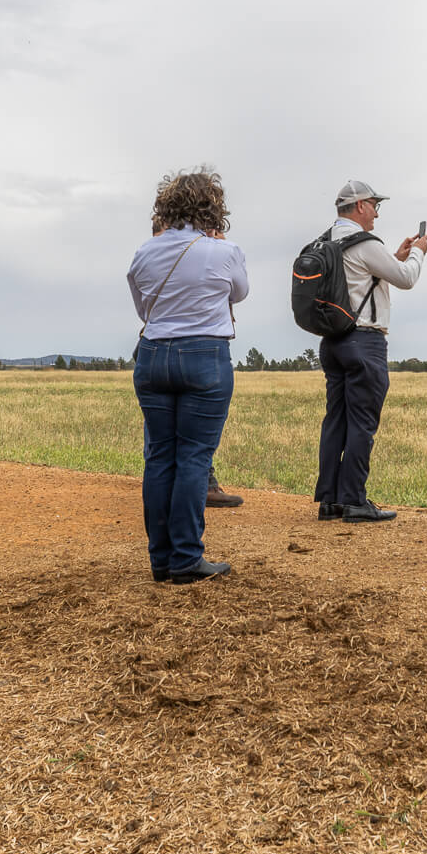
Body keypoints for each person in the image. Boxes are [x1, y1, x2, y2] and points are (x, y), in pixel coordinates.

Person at [127, 168, 249, 584]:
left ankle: (160, 559)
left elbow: (143, 309)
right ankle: (185, 558)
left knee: (160, 456)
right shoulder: (225, 251)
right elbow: (240, 292)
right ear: (212, 206)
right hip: (205, 354)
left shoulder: (146, 251)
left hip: (153, 353)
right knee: (194, 457)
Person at [314, 179, 427, 524]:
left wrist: (394, 257)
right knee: (363, 422)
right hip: (365, 340)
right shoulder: (365, 243)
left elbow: (361, 277)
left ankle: (330, 500)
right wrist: (419, 252)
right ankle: (355, 500)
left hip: (332, 340)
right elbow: (406, 279)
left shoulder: (325, 241)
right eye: (374, 205)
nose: (377, 213)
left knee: (336, 419)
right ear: (360, 206)